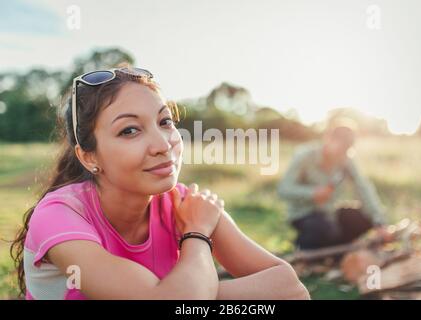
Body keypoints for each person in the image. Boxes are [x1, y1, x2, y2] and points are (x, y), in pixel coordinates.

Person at [10, 67, 309, 300]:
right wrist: (195, 237)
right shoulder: (60, 215)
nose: (163, 145)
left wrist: (190, 292)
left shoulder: (189, 206)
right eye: (129, 130)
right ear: (89, 157)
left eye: (165, 122)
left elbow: (291, 290)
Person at [278, 126, 389, 250]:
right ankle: (303, 246)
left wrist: (379, 222)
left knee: (364, 218)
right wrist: (312, 193)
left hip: (329, 213)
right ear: (328, 139)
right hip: (303, 214)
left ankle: (335, 248)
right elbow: (284, 189)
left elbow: (363, 188)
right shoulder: (304, 156)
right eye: (339, 148)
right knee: (325, 229)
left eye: (345, 150)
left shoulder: (346, 160)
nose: (340, 154)